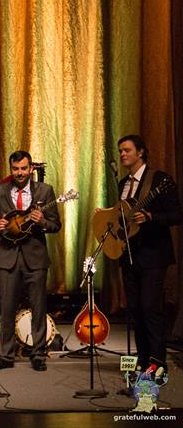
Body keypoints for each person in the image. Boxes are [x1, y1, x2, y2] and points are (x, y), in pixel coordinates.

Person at [0, 150, 60, 371]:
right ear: (11, 169)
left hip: (35, 258)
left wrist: (42, 221)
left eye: (24, 168)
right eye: (15, 169)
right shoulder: (0, 191)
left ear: (31, 169)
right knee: (7, 308)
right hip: (8, 257)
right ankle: (5, 356)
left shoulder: (45, 191)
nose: (20, 173)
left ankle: (38, 354)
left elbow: (55, 225)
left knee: (38, 307)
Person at [113, 135, 181, 369]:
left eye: (127, 150)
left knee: (151, 308)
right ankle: (142, 360)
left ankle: (157, 362)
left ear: (140, 152)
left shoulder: (160, 180)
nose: (122, 154)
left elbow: (176, 215)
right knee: (135, 309)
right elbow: (123, 217)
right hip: (129, 254)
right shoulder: (123, 184)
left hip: (153, 254)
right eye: (120, 151)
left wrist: (151, 217)